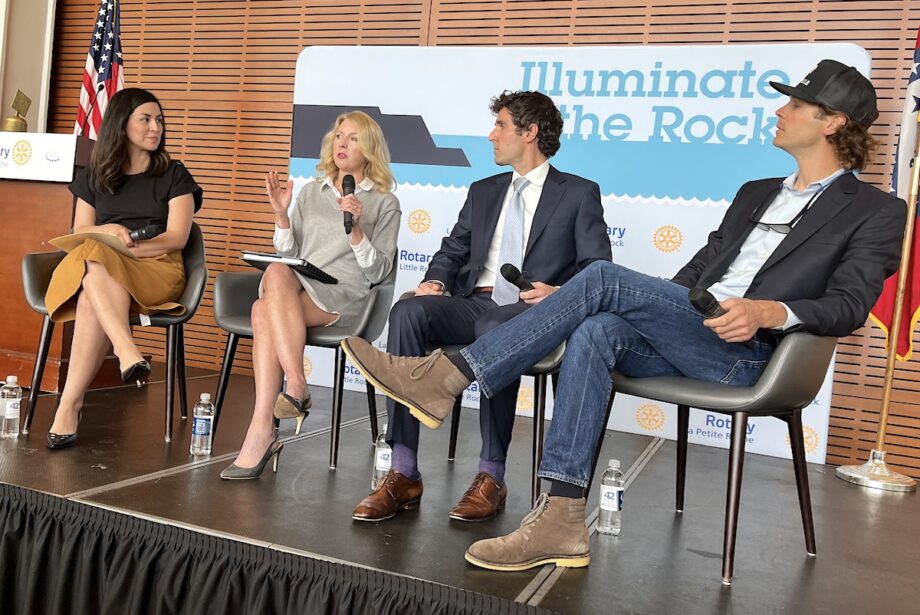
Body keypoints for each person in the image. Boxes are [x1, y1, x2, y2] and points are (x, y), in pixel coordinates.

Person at [340, 59, 906, 569]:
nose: (780, 111)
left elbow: (849, 305)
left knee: (601, 279)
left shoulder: (877, 211)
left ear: (833, 122)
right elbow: (698, 271)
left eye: (796, 105)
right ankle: (561, 517)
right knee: (598, 324)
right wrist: (656, 307)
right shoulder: (756, 191)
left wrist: (768, 311)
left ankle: (445, 378)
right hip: (693, 327)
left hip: (753, 355)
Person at [351, 91, 611, 523]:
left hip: (534, 310)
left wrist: (559, 291)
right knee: (408, 311)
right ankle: (403, 470)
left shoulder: (579, 193)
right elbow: (453, 250)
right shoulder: (484, 190)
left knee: (495, 326)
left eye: (501, 126)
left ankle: (491, 475)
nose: (491, 135)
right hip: (475, 302)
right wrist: (435, 280)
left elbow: (599, 267)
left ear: (529, 133)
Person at [219, 111, 401, 479]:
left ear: (369, 149)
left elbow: (379, 272)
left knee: (260, 311)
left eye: (352, 138)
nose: (342, 145)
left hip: (347, 295)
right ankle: (295, 388)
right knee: (274, 272)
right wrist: (281, 216)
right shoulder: (309, 192)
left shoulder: (384, 202)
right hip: (300, 285)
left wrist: (358, 230)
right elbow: (288, 257)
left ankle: (263, 430)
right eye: (338, 136)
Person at [43, 87, 203, 450]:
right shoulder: (96, 175)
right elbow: (79, 230)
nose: (155, 127)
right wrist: (108, 231)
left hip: (156, 267)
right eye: (145, 119)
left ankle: (71, 404)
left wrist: (131, 249)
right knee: (94, 264)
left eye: (159, 120)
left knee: (93, 270)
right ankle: (122, 355)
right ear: (121, 125)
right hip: (103, 268)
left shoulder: (174, 174)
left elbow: (177, 238)